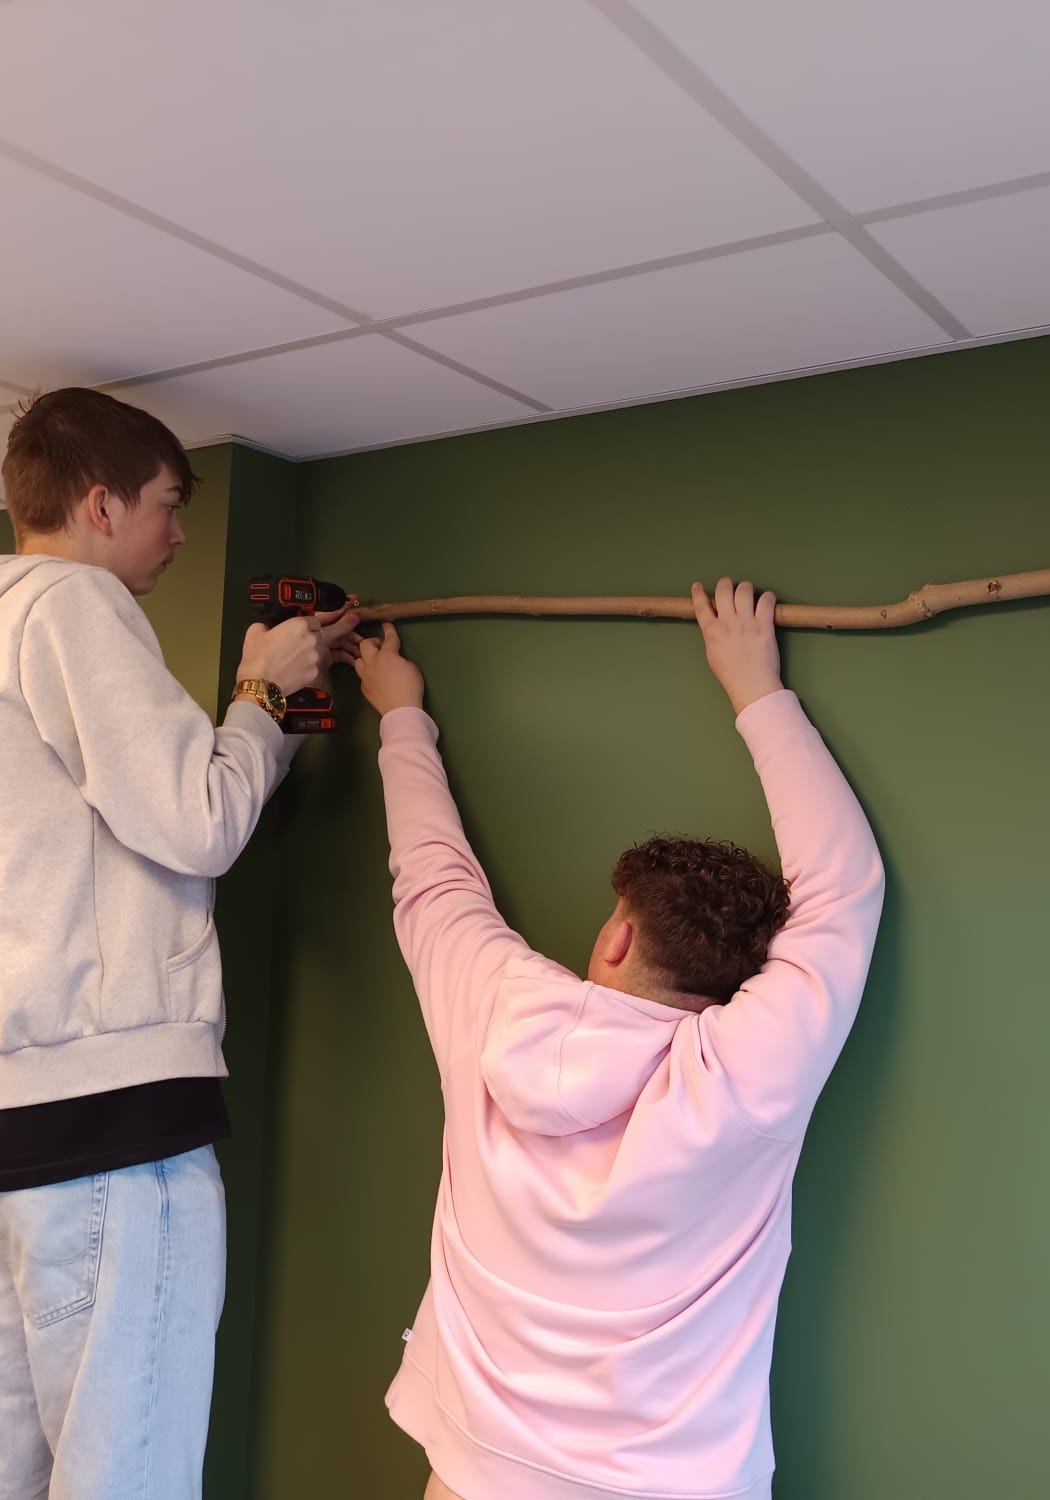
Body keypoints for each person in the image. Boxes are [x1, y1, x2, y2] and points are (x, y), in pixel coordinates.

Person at [0, 387, 359, 1497]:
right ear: (100, 505)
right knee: (126, 1472)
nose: (179, 533)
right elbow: (199, 823)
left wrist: (267, 709)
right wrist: (262, 693)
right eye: (166, 503)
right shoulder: (73, 605)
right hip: (106, 1123)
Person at [352, 577, 885, 1500]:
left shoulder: (493, 1008)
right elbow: (843, 889)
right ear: (738, 980)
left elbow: (432, 877)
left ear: (616, 940)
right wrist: (756, 688)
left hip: (475, 1477)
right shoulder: (745, 1076)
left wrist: (401, 715)